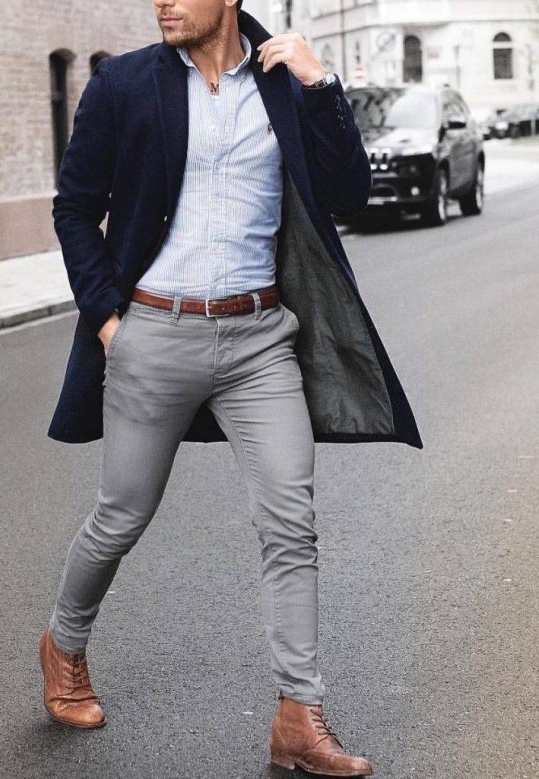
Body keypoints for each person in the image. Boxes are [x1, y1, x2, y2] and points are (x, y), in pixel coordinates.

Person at [40, 1, 422, 775]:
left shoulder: (283, 83)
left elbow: (347, 192)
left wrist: (322, 88)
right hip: (153, 333)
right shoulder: (124, 85)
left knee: (291, 523)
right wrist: (110, 323)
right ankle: (63, 643)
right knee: (121, 514)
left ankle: (297, 717)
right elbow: (74, 209)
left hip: (258, 341)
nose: (161, 2)